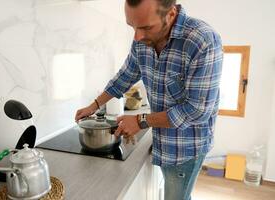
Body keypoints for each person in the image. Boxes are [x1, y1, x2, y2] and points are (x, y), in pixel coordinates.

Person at [75, 0, 223, 199]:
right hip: (163, 140)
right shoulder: (141, 40)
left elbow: (197, 110)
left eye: (145, 27)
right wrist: (94, 105)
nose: (137, 36)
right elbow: (125, 75)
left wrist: (140, 121)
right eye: (132, 26)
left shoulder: (202, 40)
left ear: (170, 14)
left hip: (186, 147)